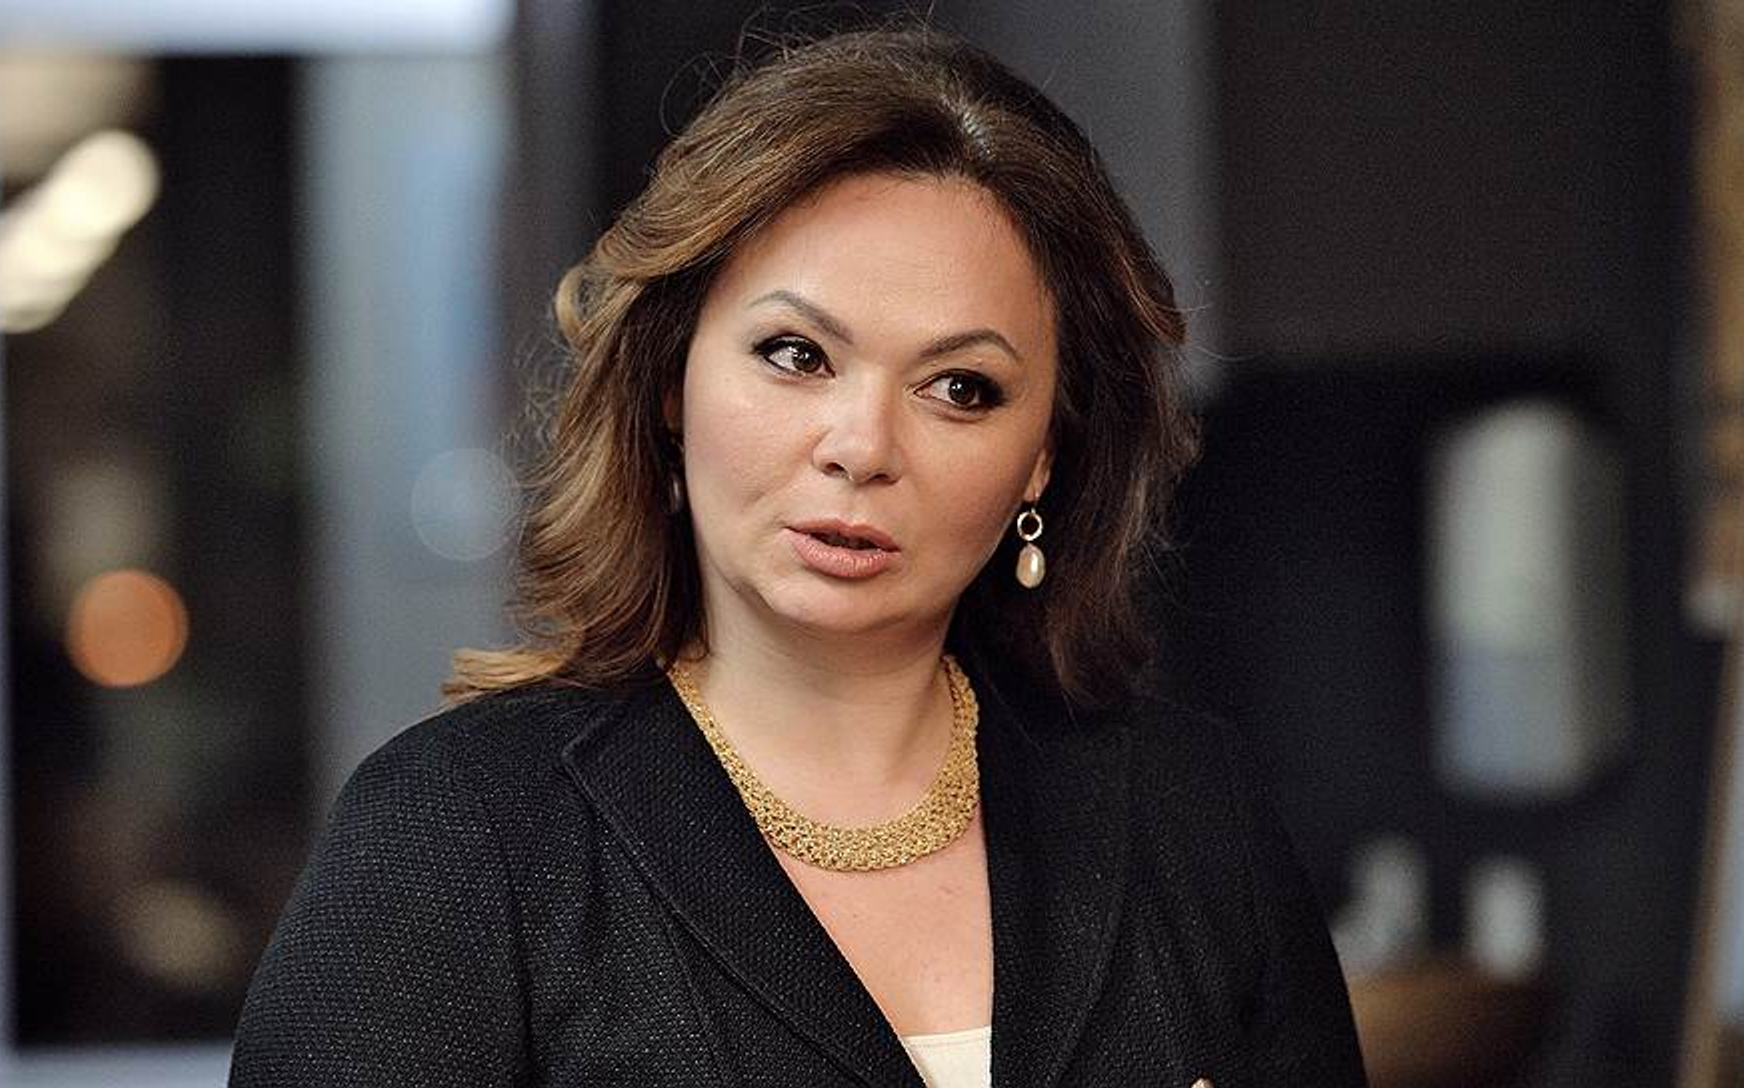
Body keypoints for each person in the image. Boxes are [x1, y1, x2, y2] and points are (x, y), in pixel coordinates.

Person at [229, 27, 1366, 1088]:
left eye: (960, 387)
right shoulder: (453, 834)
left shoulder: (1186, 809)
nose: (862, 447)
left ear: (1042, 460)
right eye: (795, 354)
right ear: (669, 383)